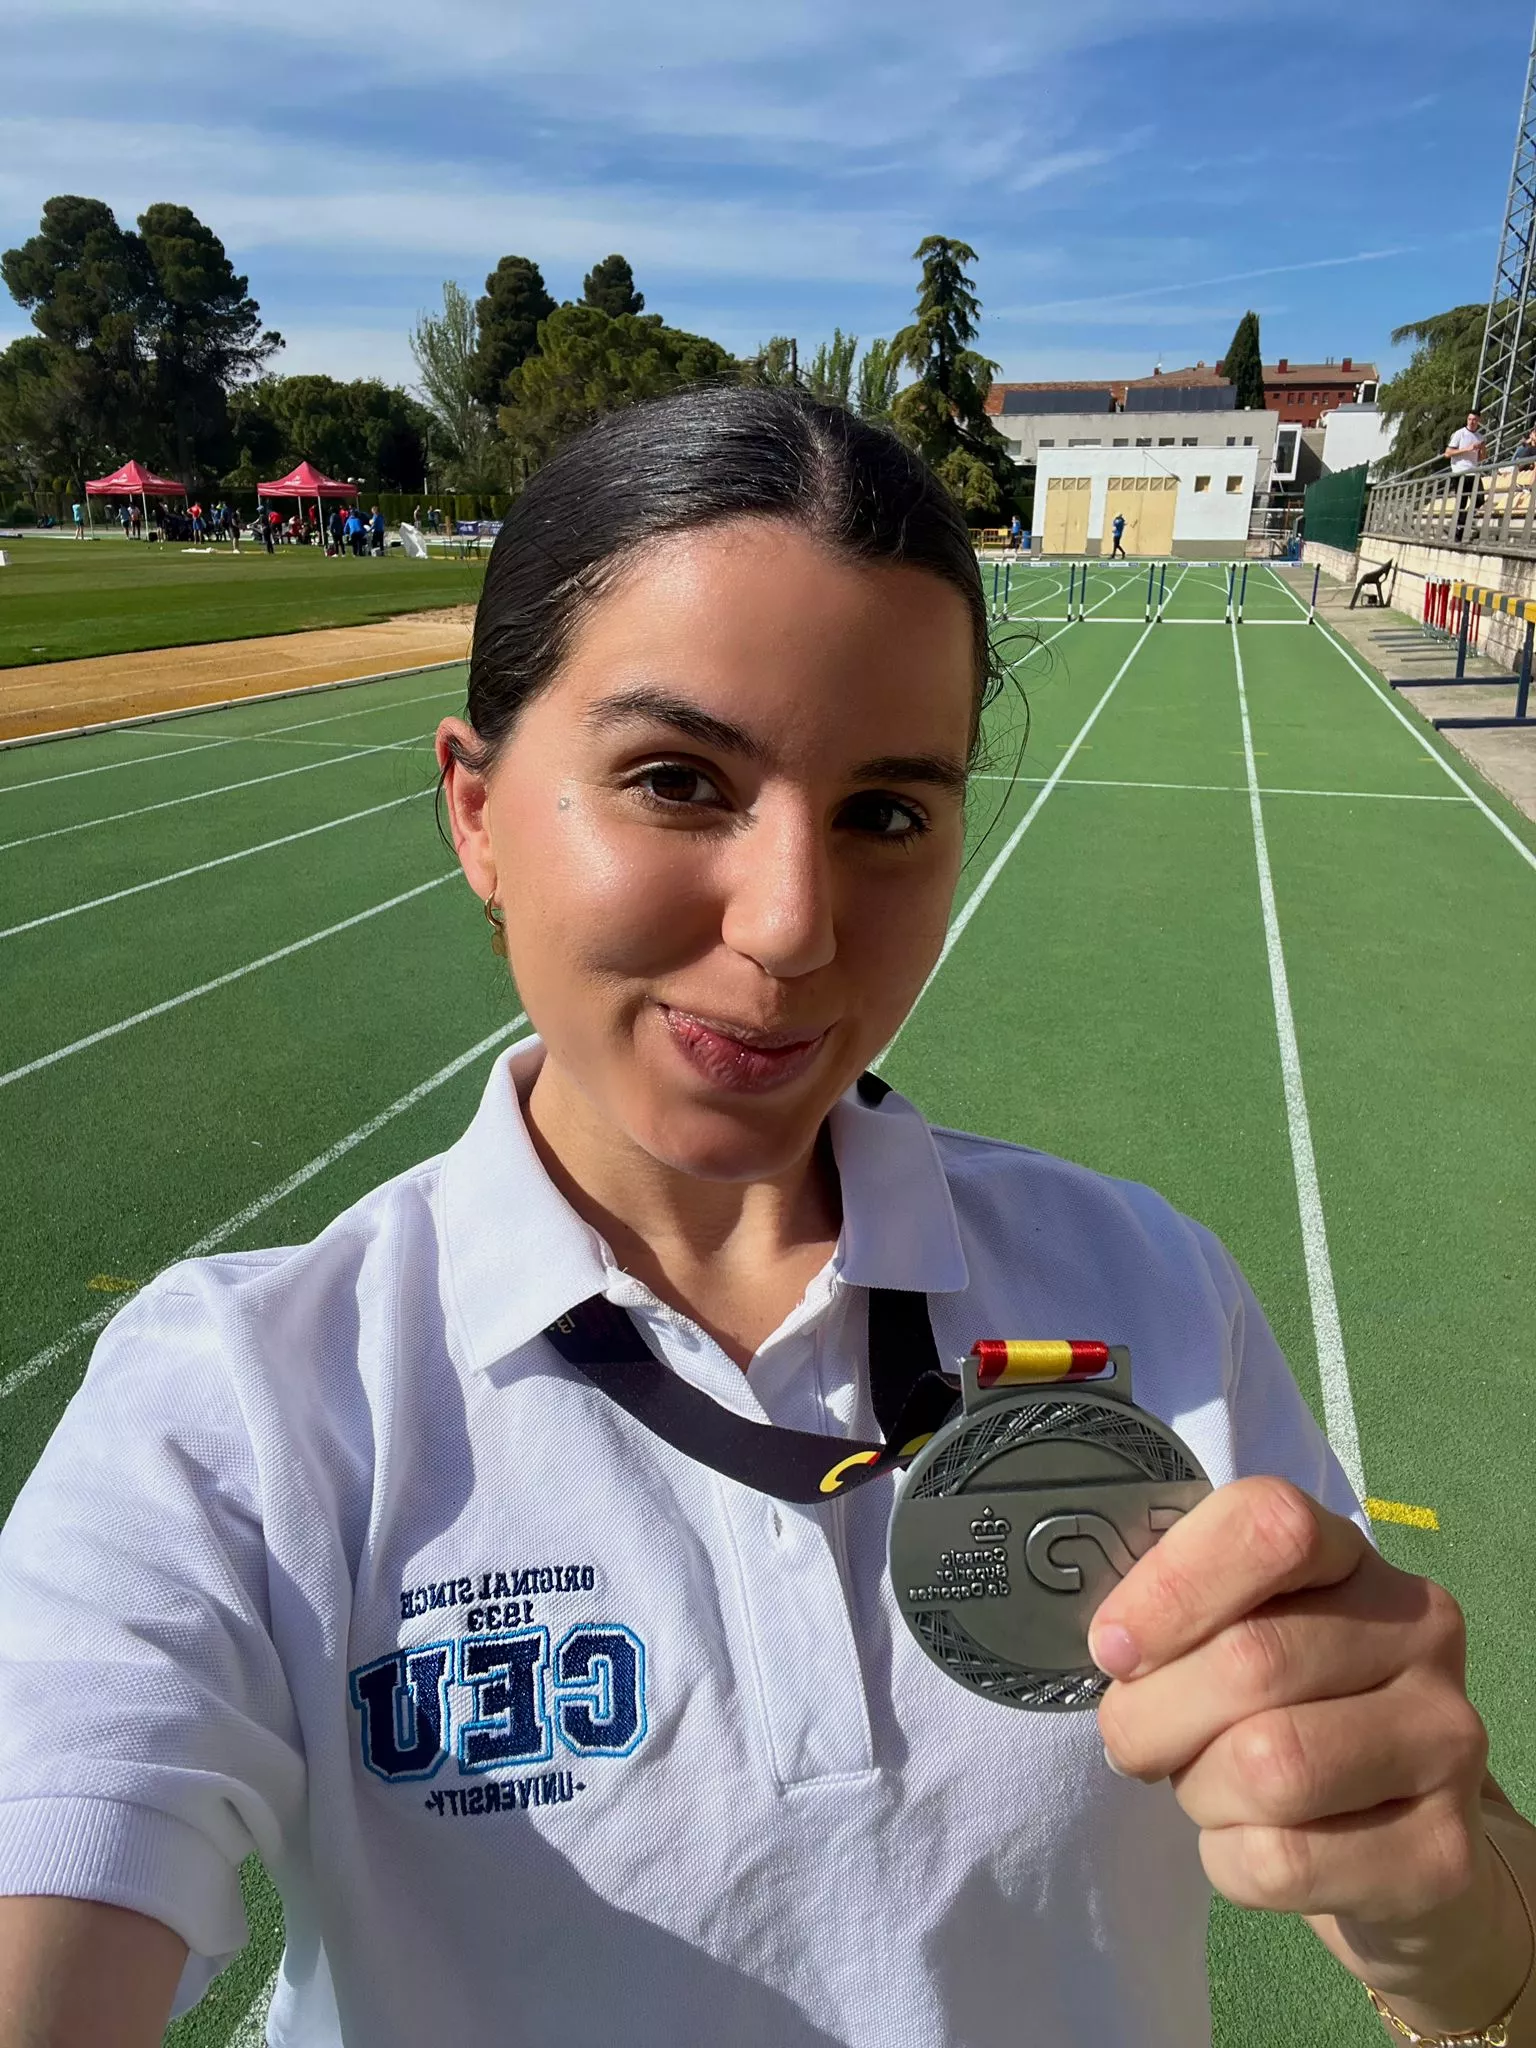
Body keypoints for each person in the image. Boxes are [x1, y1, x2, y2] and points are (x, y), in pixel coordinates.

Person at [0, 387, 1530, 2048]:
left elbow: (1478, 1965)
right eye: (674, 777)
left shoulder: (1149, 1287)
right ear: (473, 808)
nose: (794, 924)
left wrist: (1466, 1941)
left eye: (888, 811)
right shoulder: (234, 1407)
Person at [1446, 410, 1486, 542]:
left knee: (1479, 499)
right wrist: (1467, 449)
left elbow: (1481, 458)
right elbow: (1448, 453)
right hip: (1460, 472)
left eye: (1474, 419)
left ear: (1479, 421)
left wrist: (1482, 449)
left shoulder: (1480, 436)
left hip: (1473, 471)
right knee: (1462, 503)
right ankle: (1458, 532)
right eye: (1469, 419)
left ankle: (1463, 522)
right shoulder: (1460, 433)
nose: (1472, 422)